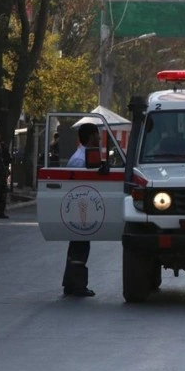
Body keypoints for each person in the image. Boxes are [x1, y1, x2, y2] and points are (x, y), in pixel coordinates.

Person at [62, 123, 100, 297]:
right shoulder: (79, 159)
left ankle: (71, 283)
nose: (99, 139)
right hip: (79, 209)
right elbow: (81, 186)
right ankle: (76, 285)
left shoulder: (86, 156)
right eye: (97, 135)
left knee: (78, 246)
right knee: (80, 247)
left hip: (81, 208)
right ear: (92, 136)